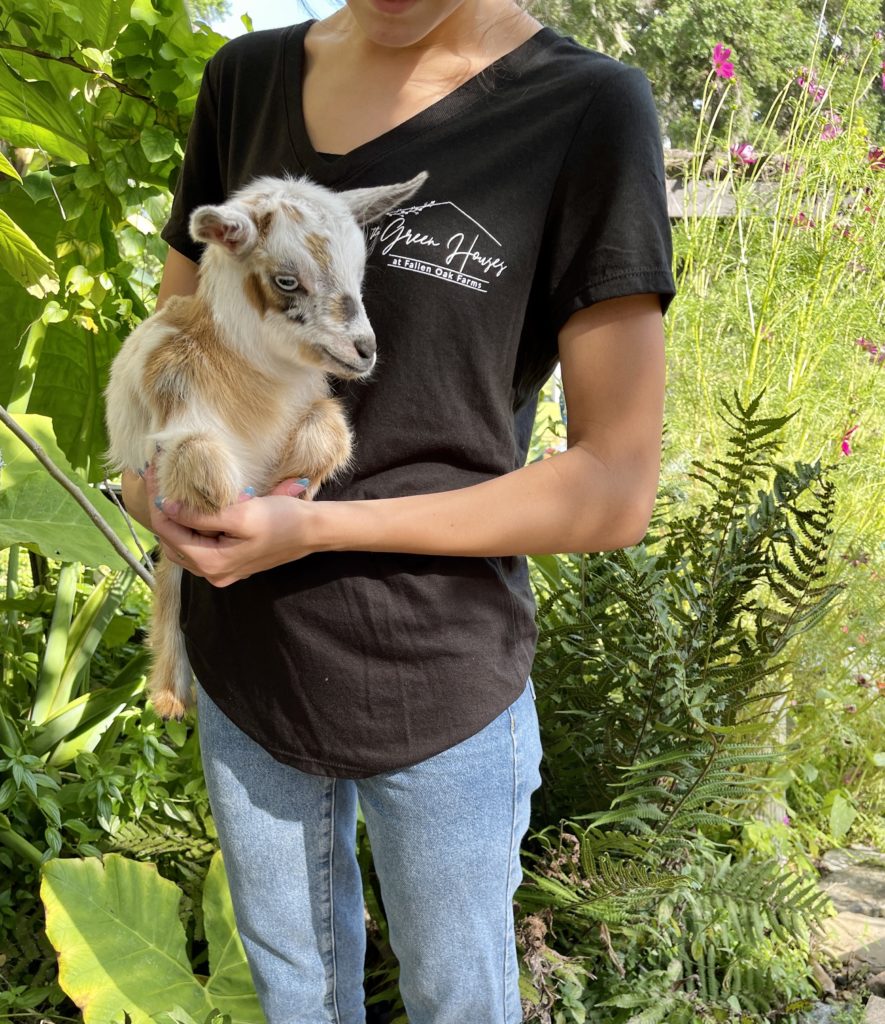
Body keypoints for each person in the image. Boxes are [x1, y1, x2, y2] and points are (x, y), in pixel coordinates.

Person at [121, 0, 676, 1019]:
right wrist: (142, 474)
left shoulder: (586, 109)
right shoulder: (242, 80)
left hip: (437, 684)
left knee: (456, 998)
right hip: (249, 662)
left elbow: (613, 484)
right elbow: (178, 331)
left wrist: (319, 528)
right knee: (294, 995)